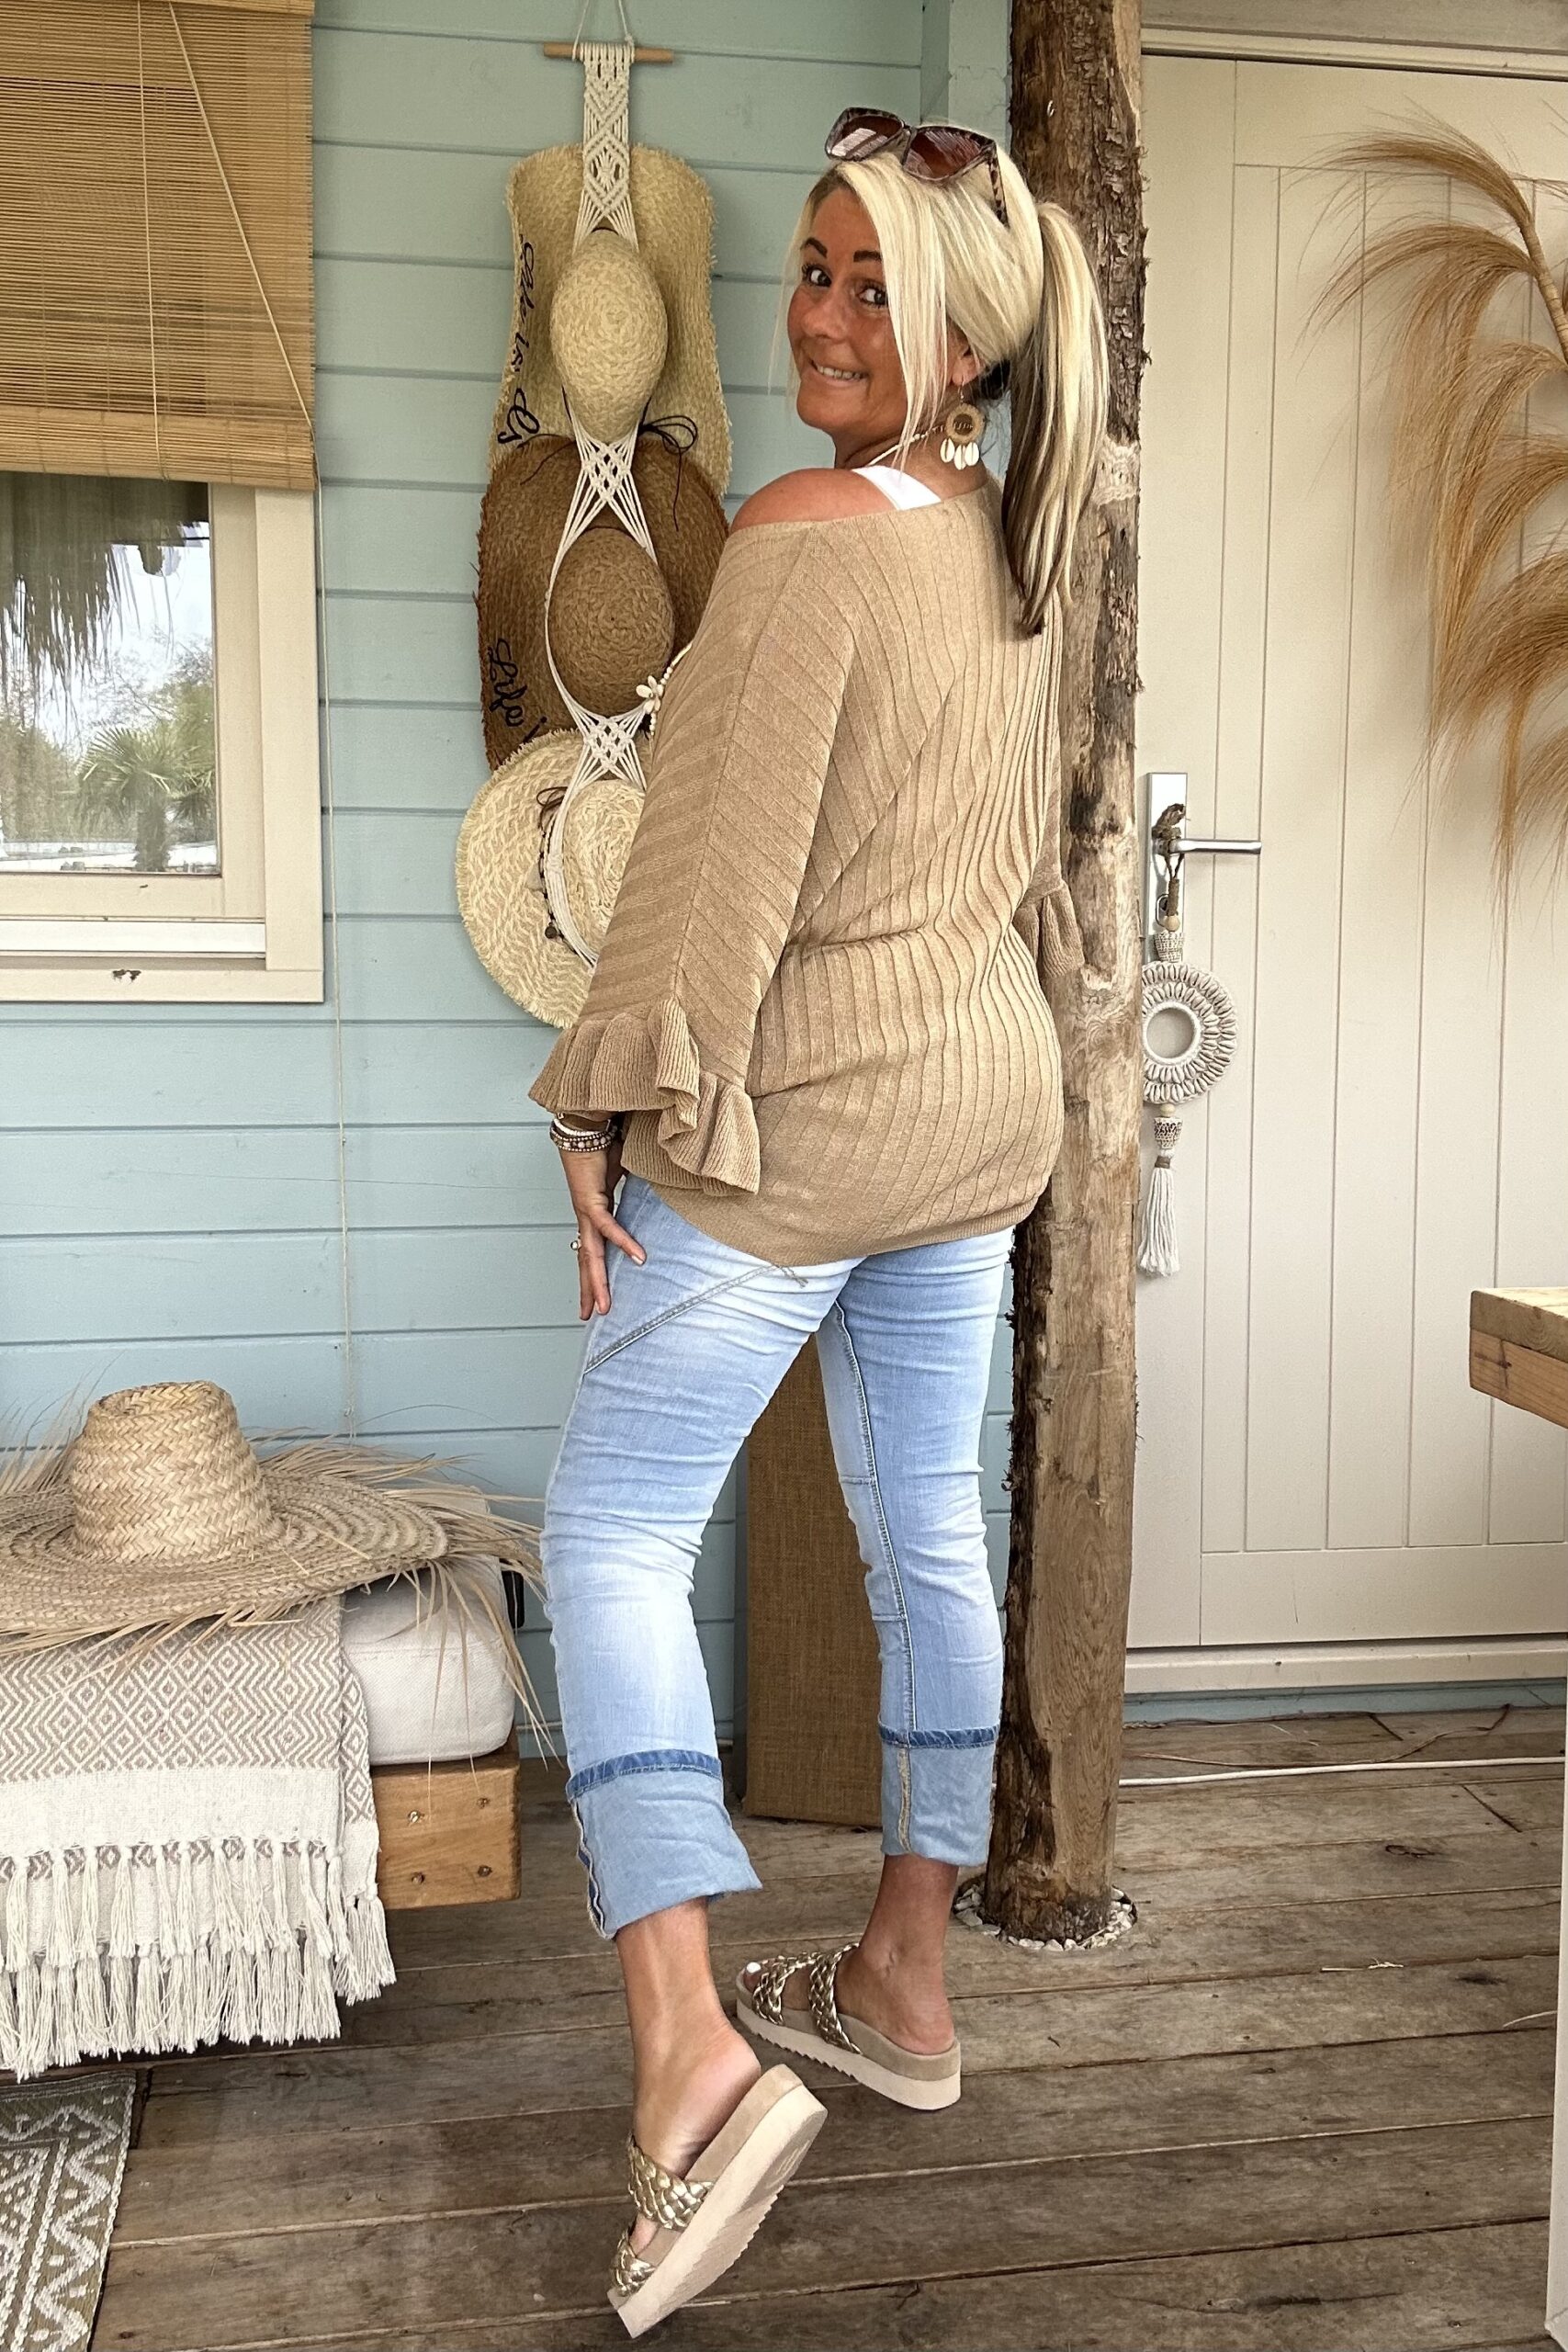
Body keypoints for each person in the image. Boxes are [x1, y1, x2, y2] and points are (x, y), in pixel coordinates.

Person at [527, 106, 1108, 2335]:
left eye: (879, 285)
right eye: (813, 266)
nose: (824, 315)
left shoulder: (794, 537)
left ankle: (690, 2056)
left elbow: (711, 878)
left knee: (605, 1538)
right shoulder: (1007, 538)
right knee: (929, 1534)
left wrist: (598, 1098)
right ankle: (898, 1978)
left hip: (809, 1124)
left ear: (964, 342)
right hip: (972, 1113)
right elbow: (1003, 853)